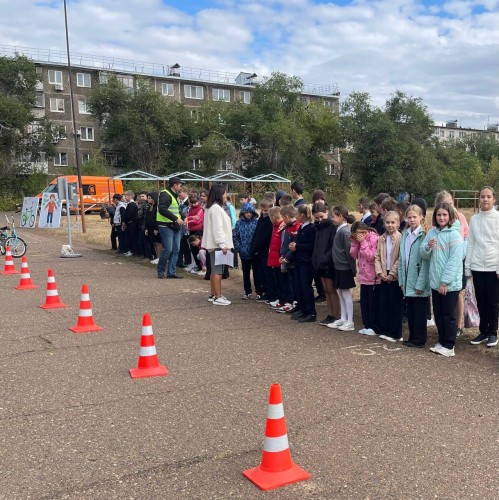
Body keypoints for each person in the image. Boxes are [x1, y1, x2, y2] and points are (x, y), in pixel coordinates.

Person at [421, 202, 463, 356]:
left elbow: (454, 261)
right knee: (438, 314)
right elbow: (423, 254)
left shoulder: (454, 235)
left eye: (445, 214)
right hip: (435, 282)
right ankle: (442, 340)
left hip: (449, 284)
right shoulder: (432, 233)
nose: (441, 217)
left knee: (448, 314)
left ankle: (449, 345)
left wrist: (445, 282)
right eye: (439, 214)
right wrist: (427, 247)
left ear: (450, 216)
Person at [465, 186, 499, 348]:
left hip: (493, 266)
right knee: (481, 301)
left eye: (488, 197)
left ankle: (492, 332)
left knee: (492, 301)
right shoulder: (474, 219)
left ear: (494, 199)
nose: (485, 199)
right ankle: (483, 331)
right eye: (482, 197)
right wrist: (468, 266)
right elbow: (471, 243)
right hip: (478, 266)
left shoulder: (497, 218)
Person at [434, 190, 469, 337]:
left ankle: (458, 324)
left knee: (459, 293)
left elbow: (466, 238)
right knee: (443, 297)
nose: (450, 207)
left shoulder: (460, 217)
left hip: (458, 258)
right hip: (442, 260)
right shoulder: (439, 221)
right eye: (446, 204)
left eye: (451, 204)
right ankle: (445, 328)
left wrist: (461, 255)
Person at [398, 204, 430, 347]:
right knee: (411, 310)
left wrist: (420, 284)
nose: (411, 220)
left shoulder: (424, 235)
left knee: (419, 312)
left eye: (414, 217)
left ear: (421, 217)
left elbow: (425, 263)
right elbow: (402, 258)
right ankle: (412, 336)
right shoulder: (405, 234)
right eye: (409, 217)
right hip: (407, 279)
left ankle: (419, 338)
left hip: (418, 280)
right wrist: (401, 279)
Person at [375, 211, 403, 342]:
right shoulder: (381, 238)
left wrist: (392, 273)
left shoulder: (400, 238)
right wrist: (380, 272)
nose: (390, 225)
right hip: (383, 274)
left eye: (393, 222)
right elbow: (377, 257)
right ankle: (385, 329)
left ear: (398, 223)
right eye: (387, 222)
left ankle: (395, 332)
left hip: (394, 276)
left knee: (395, 304)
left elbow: (400, 258)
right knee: (384, 303)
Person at [327, 206, 357, 331]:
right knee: (340, 292)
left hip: (344, 267)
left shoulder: (345, 232)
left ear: (341, 217)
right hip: (338, 266)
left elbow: (349, 252)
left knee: (345, 293)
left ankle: (350, 321)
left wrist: (352, 268)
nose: (332, 219)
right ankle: (343, 318)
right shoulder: (339, 230)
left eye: (333, 216)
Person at [203, 185, 234, 306]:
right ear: (219, 195)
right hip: (217, 244)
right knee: (217, 271)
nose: (226, 196)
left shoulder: (211, 207)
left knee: (214, 270)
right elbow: (217, 228)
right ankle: (218, 296)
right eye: (224, 193)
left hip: (214, 244)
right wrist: (222, 244)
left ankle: (213, 293)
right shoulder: (215, 209)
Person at [311, 203, 340, 326]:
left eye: (321, 216)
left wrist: (324, 259)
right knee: (326, 290)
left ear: (327, 213)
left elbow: (332, 245)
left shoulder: (331, 226)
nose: (319, 220)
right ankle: (330, 313)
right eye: (316, 217)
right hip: (319, 262)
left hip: (328, 262)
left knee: (331, 289)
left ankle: (335, 314)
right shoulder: (317, 227)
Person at [349, 221, 380, 336]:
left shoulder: (374, 238)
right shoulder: (358, 241)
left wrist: (363, 242)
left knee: (372, 304)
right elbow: (353, 254)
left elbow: (371, 256)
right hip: (363, 275)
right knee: (364, 303)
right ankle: (367, 325)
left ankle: (374, 326)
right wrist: (354, 242)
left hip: (373, 277)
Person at [287, 204, 317, 322]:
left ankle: (310, 311)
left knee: (305, 287)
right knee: (299, 286)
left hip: (306, 261)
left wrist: (298, 246)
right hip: (299, 260)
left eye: (298, 214)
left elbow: (311, 245)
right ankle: (302, 308)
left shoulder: (311, 228)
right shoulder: (302, 227)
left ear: (302, 215)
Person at [156, 177, 185, 279]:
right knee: (168, 249)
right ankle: (160, 270)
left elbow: (176, 210)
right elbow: (162, 209)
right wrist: (176, 219)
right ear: (175, 185)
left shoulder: (175, 196)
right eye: (180, 185)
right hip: (166, 225)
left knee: (176, 250)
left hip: (175, 226)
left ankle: (171, 272)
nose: (181, 187)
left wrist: (183, 218)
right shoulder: (165, 194)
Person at [275, 204, 301, 313]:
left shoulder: (296, 227)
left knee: (294, 283)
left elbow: (293, 245)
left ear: (286, 216)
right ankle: (290, 302)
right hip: (286, 258)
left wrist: (287, 258)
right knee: (289, 282)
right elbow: (284, 243)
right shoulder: (287, 227)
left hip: (293, 260)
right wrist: (282, 255)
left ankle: (294, 302)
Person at [233, 202, 259, 299]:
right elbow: (235, 236)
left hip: (255, 253)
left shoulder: (256, 222)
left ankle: (258, 291)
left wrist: (257, 249)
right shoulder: (239, 223)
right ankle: (247, 291)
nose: (248, 214)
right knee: (246, 273)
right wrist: (239, 248)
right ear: (243, 213)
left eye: (250, 212)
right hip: (244, 253)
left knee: (257, 273)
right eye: (246, 212)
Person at [249, 199, 273, 301]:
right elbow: (257, 234)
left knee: (266, 272)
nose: (264, 212)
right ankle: (262, 290)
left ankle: (268, 292)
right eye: (262, 210)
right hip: (257, 250)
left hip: (264, 250)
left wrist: (256, 247)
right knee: (259, 272)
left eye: (266, 210)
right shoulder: (261, 219)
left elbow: (264, 237)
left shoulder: (269, 221)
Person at [144, 192, 161, 264]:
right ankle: (157, 256)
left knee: (158, 243)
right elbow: (147, 218)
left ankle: (160, 257)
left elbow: (157, 218)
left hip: (155, 228)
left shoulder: (157, 207)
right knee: (153, 242)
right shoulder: (150, 207)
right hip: (150, 228)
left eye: (149, 198)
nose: (148, 199)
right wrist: (147, 228)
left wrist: (156, 228)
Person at [123, 190, 140, 257]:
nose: (125, 197)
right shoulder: (130, 204)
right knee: (130, 237)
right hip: (130, 223)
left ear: (130, 196)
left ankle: (134, 251)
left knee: (133, 238)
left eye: (126, 196)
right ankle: (132, 250)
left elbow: (128, 215)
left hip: (132, 223)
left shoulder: (131, 205)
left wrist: (125, 221)